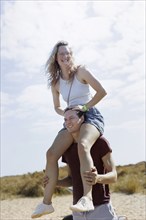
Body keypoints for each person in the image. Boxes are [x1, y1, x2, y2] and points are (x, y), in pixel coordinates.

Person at [31, 41, 107, 218]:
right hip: (70, 119)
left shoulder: (82, 71)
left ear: (71, 56)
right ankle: (46, 203)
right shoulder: (56, 83)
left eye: (68, 54)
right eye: (61, 55)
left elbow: (101, 92)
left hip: (90, 114)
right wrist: (66, 113)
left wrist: (84, 108)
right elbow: (57, 107)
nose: (65, 57)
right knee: (51, 154)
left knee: (83, 144)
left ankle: (86, 198)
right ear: (56, 59)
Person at [43, 108, 125, 220]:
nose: (68, 122)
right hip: (78, 209)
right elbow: (72, 179)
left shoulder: (100, 142)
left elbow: (114, 176)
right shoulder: (67, 148)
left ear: (81, 119)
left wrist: (98, 178)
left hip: (100, 207)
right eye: (65, 119)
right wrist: (56, 182)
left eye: (72, 118)